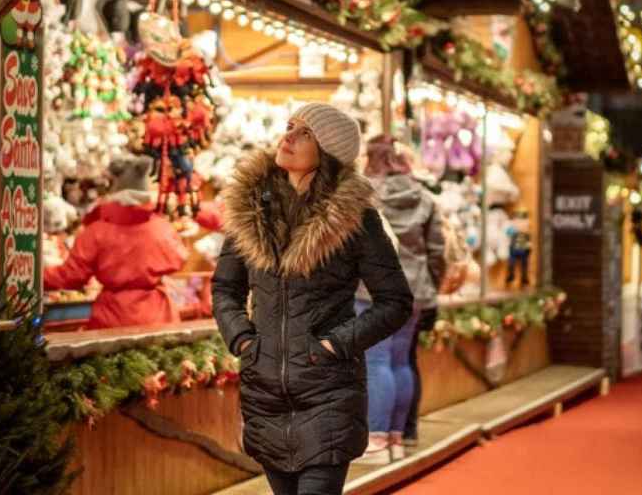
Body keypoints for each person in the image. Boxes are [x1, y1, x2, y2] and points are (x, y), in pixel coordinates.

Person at [212, 103, 414, 495]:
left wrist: (335, 344)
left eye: (304, 133)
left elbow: (395, 301)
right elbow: (225, 289)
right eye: (289, 127)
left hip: (328, 392)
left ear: (328, 152)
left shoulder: (355, 219)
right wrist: (244, 341)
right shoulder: (251, 212)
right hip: (266, 394)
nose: (288, 137)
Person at [355, 136, 446, 463]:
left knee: (376, 362)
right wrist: (429, 286)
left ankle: (376, 441)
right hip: (415, 290)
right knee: (400, 361)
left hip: (373, 290)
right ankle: (396, 438)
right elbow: (437, 252)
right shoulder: (424, 197)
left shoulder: (363, 195)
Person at [44, 155, 188, 329]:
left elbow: (71, 276)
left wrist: (35, 276)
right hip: (160, 317)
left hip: (113, 318)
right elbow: (180, 258)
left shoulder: (96, 232)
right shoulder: (162, 228)